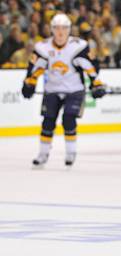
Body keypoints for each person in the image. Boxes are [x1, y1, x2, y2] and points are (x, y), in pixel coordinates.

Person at [21, 13, 106, 168]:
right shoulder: (42, 47)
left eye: (64, 28)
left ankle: (70, 152)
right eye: (57, 28)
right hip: (52, 89)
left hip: (74, 90)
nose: (60, 32)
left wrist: (97, 83)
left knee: (68, 119)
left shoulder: (79, 46)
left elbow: (91, 66)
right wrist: (29, 84)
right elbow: (34, 68)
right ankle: (43, 154)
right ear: (52, 29)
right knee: (48, 122)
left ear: (69, 29)